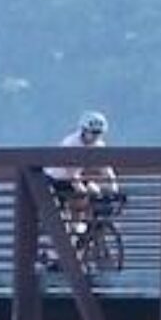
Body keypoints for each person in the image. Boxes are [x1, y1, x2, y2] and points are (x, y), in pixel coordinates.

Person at [43, 110, 120, 264]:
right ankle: (71, 235)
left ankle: (85, 232)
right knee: (74, 204)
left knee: (95, 193)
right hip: (56, 179)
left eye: (99, 133)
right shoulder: (71, 143)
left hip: (74, 176)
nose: (96, 136)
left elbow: (106, 169)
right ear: (84, 130)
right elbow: (69, 170)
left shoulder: (98, 145)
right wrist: (80, 187)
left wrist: (113, 186)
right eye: (93, 133)